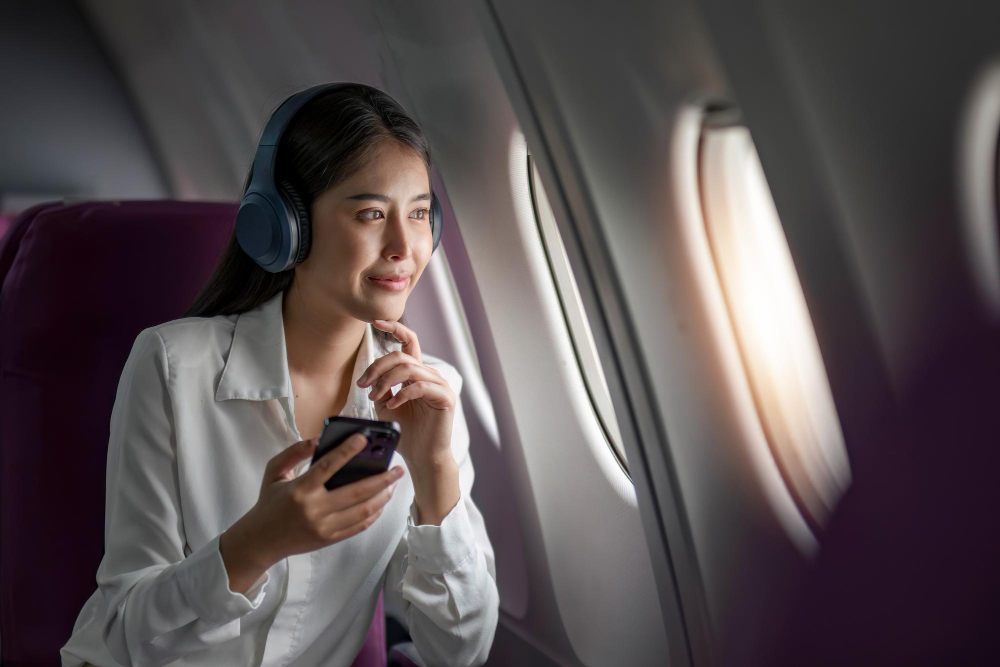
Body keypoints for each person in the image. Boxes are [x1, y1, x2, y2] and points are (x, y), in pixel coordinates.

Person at [60, 83, 499, 667]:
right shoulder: (173, 365)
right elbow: (125, 636)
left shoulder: (425, 397)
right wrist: (258, 543)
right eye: (371, 213)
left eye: (419, 214)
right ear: (286, 224)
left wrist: (435, 471)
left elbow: (459, 653)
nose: (404, 246)